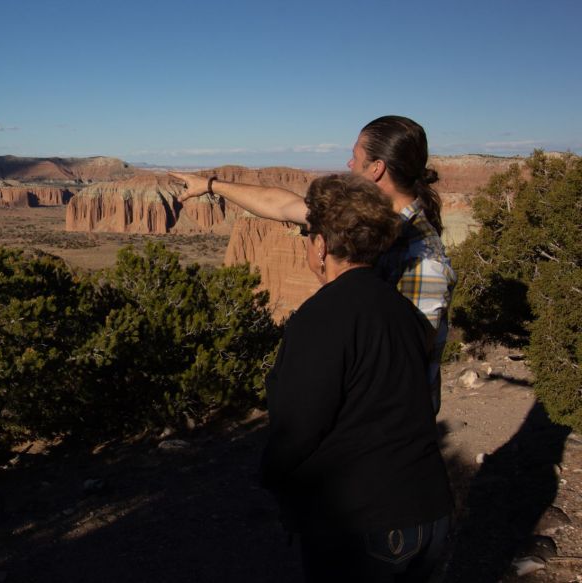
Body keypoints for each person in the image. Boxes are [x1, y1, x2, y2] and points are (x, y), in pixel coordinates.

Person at [170, 115, 454, 413]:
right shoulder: (359, 219)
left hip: (391, 431)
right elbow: (281, 206)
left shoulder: (423, 258)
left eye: (355, 156)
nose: (348, 164)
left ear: (376, 168)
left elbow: (401, 361)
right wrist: (210, 185)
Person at [260, 174, 453, 582]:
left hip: (364, 524)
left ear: (321, 245)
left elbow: (297, 428)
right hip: (428, 512)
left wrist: (273, 479)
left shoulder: (321, 319)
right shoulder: (403, 311)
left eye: (308, 234)